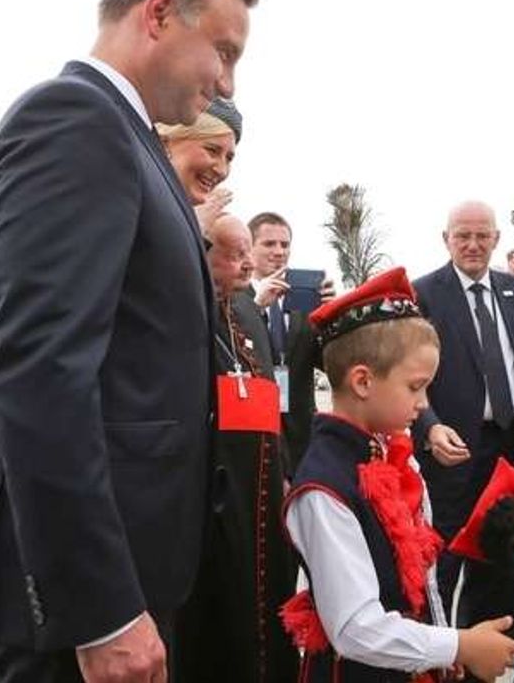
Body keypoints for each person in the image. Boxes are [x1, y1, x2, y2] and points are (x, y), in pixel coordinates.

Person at [0, 0, 257, 683]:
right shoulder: (73, 122)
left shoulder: (129, 141)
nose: (225, 79)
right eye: (223, 50)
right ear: (157, 14)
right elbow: (42, 374)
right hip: (79, 602)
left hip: (133, 570)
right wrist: (102, 609)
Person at [282, 266, 514, 683]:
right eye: (416, 387)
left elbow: (424, 586)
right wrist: (459, 645)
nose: (423, 403)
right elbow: (355, 628)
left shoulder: (392, 455)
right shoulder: (325, 490)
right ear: (362, 381)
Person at [410, 201, 514, 662]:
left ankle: (483, 666)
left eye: (482, 236)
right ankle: (432, 666)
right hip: (453, 455)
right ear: (445, 239)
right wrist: (429, 428)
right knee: (441, 568)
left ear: (495, 239)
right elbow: (411, 375)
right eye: (462, 236)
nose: (472, 245)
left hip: (511, 455)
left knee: (501, 571)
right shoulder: (424, 294)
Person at [174, 215, 297, 683]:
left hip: (261, 493)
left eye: (249, 252)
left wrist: (282, 467)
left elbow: (270, 400)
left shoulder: (246, 312)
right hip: (216, 499)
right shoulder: (195, 311)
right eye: (234, 253)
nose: (248, 263)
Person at [247, 211, 334, 476]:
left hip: (301, 433)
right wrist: (256, 308)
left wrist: (333, 316)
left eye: (285, 245)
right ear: (249, 248)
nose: (279, 251)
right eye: (269, 244)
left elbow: (329, 362)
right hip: (254, 430)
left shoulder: (306, 302)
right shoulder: (237, 298)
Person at [155, 96, 242, 238]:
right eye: (212, 150)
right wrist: (191, 230)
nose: (222, 170)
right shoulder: (132, 197)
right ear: (164, 144)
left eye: (228, 158)